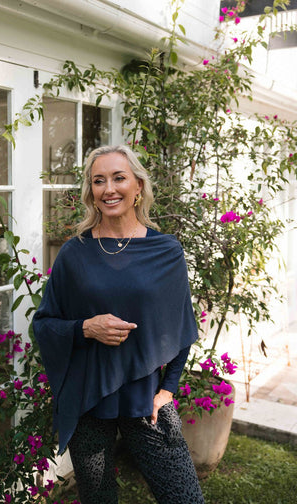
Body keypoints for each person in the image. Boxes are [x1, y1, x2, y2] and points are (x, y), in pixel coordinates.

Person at [33, 145, 205, 504]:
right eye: (98, 181)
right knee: (98, 499)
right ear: (91, 193)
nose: (108, 188)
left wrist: (168, 390)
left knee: (185, 497)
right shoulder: (74, 253)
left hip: (146, 398)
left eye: (118, 177)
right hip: (90, 398)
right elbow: (45, 324)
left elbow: (181, 325)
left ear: (138, 186)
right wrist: (86, 328)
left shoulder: (166, 250)